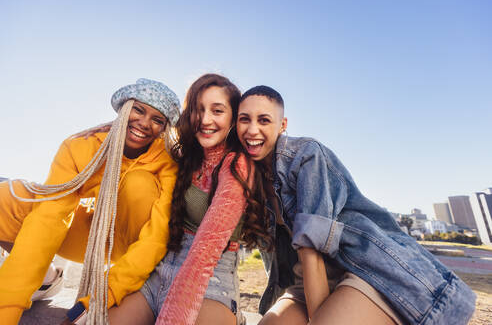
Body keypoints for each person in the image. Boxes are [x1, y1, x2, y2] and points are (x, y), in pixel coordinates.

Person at [235, 85, 476, 325]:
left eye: (264, 120)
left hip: (360, 270)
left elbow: (312, 253)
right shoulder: (246, 177)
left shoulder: (305, 155)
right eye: (244, 119)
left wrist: (317, 319)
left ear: (283, 125)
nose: (252, 129)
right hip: (305, 282)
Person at [0, 78, 180, 324]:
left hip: (125, 244)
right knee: (7, 197)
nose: (144, 123)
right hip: (79, 234)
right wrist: (6, 309)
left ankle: (129, 288)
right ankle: (46, 279)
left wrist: (97, 299)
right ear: (124, 108)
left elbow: (156, 238)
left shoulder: (167, 163)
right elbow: (49, 218)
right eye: (138, 109)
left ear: (164, 128)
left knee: (140, 184)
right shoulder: (80, 145)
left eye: (157, 119)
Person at [106, 73, 272, 325]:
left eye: (217, 111)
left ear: (233, 118)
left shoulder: (237, 165)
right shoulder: (184, 156)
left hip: (211, 280)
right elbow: (140, 142)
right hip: (159, 271)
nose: (205, 120)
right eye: (198, 109)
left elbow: (205, 253)